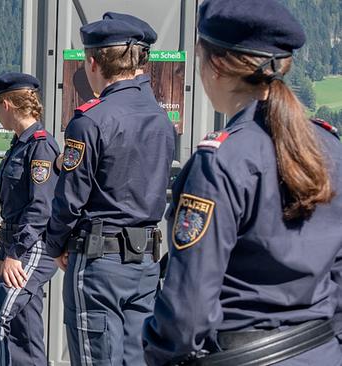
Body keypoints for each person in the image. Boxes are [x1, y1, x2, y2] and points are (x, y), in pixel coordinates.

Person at [142, 0, 342, 364]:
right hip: (322, 351)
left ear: (215, 65)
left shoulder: (221, 161)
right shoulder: (329, 147)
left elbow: (189, 309)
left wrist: (158, 351)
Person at [46, 16, 176, 365]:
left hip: (98, 262)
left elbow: (70, 198)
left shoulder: (90, 120)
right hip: (146, 260)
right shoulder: (161, 121)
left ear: (92, 62)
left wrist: (56, 243)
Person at [0, 72, 60, 365]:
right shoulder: (20, 144)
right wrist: (4, 253)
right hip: (18, 246)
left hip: (33, 246)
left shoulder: (40, 146)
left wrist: (15, 253)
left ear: (7, 105)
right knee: (24, 330)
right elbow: (13, 208)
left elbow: (40, 208)